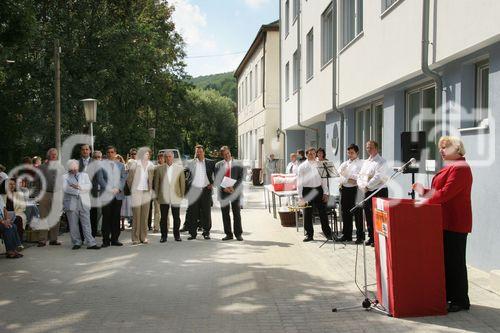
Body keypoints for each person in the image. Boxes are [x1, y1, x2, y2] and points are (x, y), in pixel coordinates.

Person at [412, 136, 473, 313]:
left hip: (455, 222)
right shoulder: (450, 166)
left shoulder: (460, 168)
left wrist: (424, 194)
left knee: (456, 262)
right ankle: (450, 295)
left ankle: (461, 300)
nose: (441, 151)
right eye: (440, 147)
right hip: (444, 220)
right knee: (447, 261)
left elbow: (445, 193)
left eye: (445, 147)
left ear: (456, 148)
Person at [296, 147, 332, 242]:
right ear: (306, 154)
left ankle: (328, 233)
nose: (312, 155)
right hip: (307, 191)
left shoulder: (320, 164)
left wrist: (326, 192)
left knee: (323, 213)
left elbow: (324, 180)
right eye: (310, 153)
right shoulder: (302, 166)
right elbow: (299, 182)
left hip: (318, 190)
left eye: (313, 153)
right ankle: (309, 235)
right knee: (307, 213)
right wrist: (300, 196)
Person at [357, 140, 389, 246]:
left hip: (379, 191)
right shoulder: (366, 162)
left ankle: (380, 239)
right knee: (368, 215)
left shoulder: (382, 161)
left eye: (370, 147)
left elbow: (378, 177)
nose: (368, 149)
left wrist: (367, 186)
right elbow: (360, 175)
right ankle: (371, 237)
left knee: (379, 216)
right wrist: (362, 186)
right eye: (367, 147)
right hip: (367, 191)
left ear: (376, 148)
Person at [63, 160, 100, 250]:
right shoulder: (64, 177)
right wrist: (78, 190)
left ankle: (91, 243)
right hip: (71, 202)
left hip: (84, 202)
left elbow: (89, 186)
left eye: (75, 167)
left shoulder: (84, 175)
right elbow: (66, 188)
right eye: (72, 168)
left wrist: (79, 187)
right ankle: (77, 242)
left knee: (86, 223)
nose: (74, 169)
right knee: (73, 224)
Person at [154, 150, 185, 242]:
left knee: (176, 217)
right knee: (163, 217)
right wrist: (156, 195)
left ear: (173, 157)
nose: (168, 158)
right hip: (163, 197)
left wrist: (182, 195)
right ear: (164, 158)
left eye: (170, 156)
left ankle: (177, 235)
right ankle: (164, 236)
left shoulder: (179, 168)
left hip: (176, 196)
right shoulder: (159, 168)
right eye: (166, 157)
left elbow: (182, 183)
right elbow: (156, 183)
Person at [185, 145, 215, 240]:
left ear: (203, 152)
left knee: (206, 212)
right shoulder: (191, 163)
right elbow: (184, 174)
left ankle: (206, 232)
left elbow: (218, 174)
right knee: (192, 212)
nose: (199, 153)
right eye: (197, 152)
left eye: (200, 151)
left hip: (206, 190)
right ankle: (192, 233)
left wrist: (213, 184)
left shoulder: (210, 163)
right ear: (195, 153)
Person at [215, 146, 244, 241]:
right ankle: (228, 234)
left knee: (237, 213)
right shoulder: (218, 165)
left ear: (230, 153)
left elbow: (241, 178)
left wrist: (233, 187)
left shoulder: (238, 164)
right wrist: (224, 189)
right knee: (225, 214)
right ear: (222, 155)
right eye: (225, 154)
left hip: (235, 192)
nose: (227, 155)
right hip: (223, 193)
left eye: (228, 153)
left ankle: (238, 234)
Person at [126, 147, 154, 244]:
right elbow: (129, 180)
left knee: (144, 216)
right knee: (136, 216)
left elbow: (152, 179)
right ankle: (135, 238)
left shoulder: (151, 165)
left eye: (147, 154)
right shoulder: (135, 164)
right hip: (136, 192)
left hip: (146, 192)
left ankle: (144, 237)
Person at [37, 148, 65, 247]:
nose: (54, 156)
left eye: (55, 154)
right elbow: (36, 181)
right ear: (48, 155)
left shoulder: (61, 168)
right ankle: (42, 240)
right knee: (43, 217)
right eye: (52, 154)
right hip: (44, 194)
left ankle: (54, 239)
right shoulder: (41, 167)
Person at [100, 146, 126, 247]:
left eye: (112, 152)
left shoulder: (121, 165)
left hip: (118, 195)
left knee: (116, 218)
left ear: (115, 153)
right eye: (108, 152)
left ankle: (115, 239)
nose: (110, 154)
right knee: (106, 218)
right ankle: (105, 240)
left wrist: (119, 189)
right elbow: (100, 179)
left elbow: (123, 178)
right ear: (106, 154)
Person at [338, 144, 364, 243]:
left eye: (352, 153)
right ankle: (347, 235)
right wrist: (349, 179)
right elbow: (338, 176)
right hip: (345, 189)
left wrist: (347, 176)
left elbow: (360, 177)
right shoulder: (344, 164)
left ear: (357, 153)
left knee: (357, 214)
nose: (350, 154)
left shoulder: (361, 163)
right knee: (345, 213)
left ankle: (359, 237)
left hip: (356, 190)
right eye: (348, 152)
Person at [86, 150, 106, 237]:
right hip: (92, 192)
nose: (97, 159)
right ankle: (93, 230)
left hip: (102, 192)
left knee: (101, 212)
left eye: (99, 157)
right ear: (92, 158)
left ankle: (98, 229)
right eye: (95, 157)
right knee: (94, 213)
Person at [152, 152, 166, 233]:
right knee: (157, 210)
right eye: (159, 158)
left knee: (165, 211)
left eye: (162, 158)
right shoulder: (155, 168)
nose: (160, 159)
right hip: (156, 192)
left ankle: (166, 226)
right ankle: (156, 227)